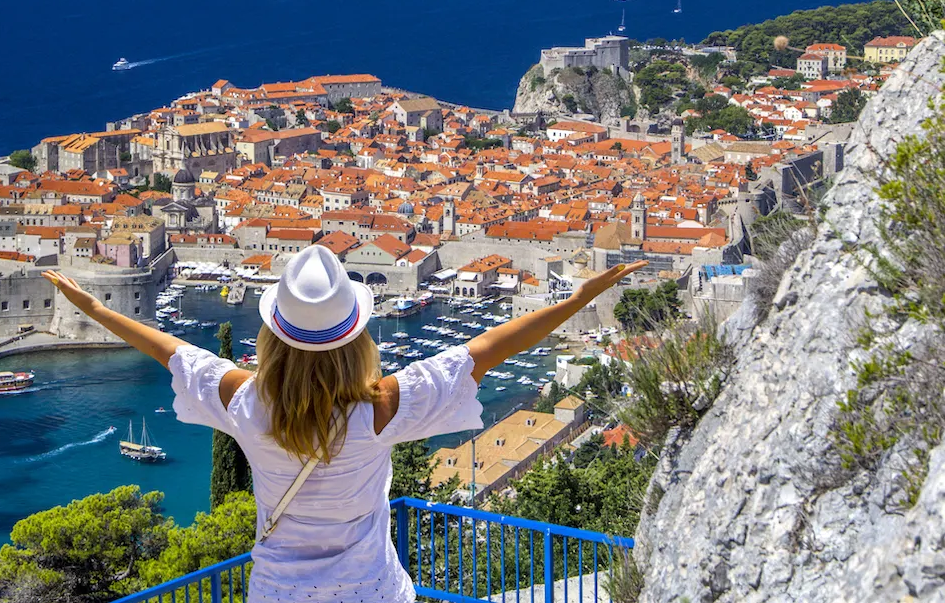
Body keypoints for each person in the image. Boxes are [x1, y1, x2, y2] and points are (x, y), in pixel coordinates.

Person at [43, 247, 645, 602]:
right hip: (370, 590)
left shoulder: (247, 403)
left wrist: (97, 310)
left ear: (273, 337)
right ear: (354, 337)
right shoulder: (381, 407)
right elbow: (485, 349)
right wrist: (573, 301)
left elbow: (170, 350)